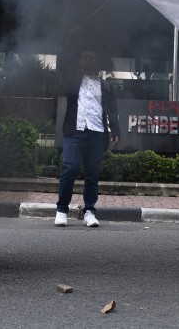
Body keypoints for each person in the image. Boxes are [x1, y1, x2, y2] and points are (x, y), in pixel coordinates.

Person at [55, 48, 120, 228]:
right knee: (70, 167)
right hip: (74, 132)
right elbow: (63, 64)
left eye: (92, 57)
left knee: (92, 173)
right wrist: (68, 42)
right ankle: (62, 210)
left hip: (97, 132)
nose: (88, 60)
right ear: (79, 61)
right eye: (85, 57)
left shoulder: (105, 85)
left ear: (98, 62)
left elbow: (112, 109)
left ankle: (89, 212)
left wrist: (116, 130)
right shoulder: (73, 80)